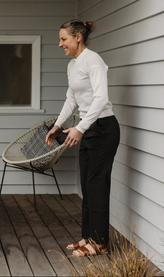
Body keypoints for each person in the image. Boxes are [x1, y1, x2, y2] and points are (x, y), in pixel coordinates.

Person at [45, 19, 120, 257]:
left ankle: (99, 243)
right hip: (88, 128)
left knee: (97, 185)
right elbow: (72, 99)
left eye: (64, 39)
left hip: (103, 128)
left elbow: (100, 98)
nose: (60, 44)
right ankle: (89, 237)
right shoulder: (73, 65)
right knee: (88, 185)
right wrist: (58, 125)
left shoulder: (93, 61)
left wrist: (80, 128)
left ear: (78, 37)